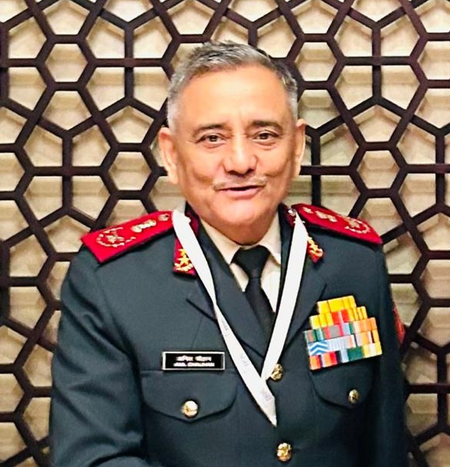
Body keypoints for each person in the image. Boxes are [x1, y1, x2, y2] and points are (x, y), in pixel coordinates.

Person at [50, 41, 408, 466]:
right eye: (212, 138)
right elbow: (93, 458)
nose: (240, 161)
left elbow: (384, 444)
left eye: (264, 135)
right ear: (171, 154)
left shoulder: (354, 262)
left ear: (296, 147)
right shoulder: (114, 282)